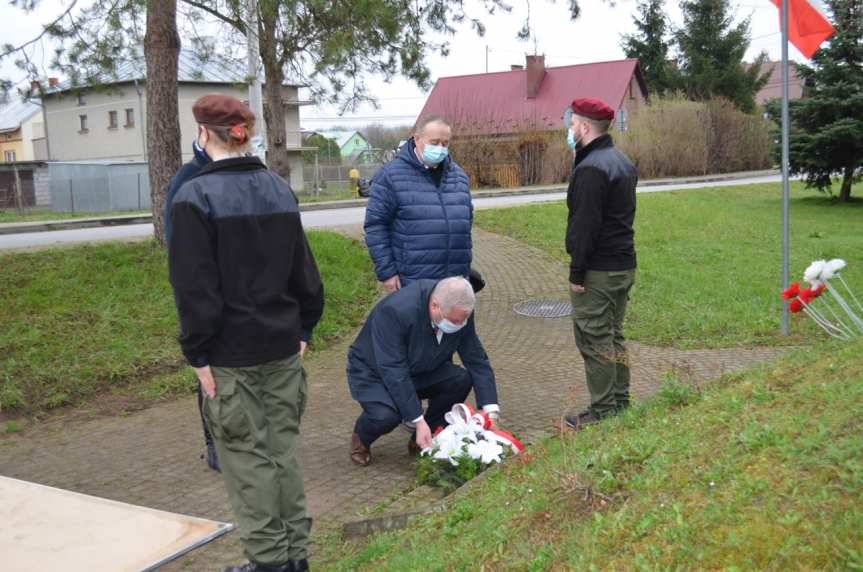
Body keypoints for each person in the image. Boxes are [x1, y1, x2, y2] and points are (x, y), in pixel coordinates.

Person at [169, 94, 324, 572]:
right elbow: (305, 270)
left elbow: (195, 289)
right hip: (281, 348)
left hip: (231, 356)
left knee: (247, 461)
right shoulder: (279, 189)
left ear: (203, 134)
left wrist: (197, 355)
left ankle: (270, 562)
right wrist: (304, 326)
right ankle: (294, 557)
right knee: (282, 454)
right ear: (243, 133)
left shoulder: (193, 197)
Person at [346, 277, 499, 466]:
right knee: (386, 416)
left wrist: (490, 409)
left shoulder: (460, 311)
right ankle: (362, 437)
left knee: (460, 379)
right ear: (435, 306)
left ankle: (424, 437)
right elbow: (394, 370)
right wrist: (417, 420)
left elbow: (475, 358)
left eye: (463, 321)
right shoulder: (396, 311)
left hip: (421, 366)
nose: (459, 326)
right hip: (374, 371)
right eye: (454, 321)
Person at [563, 98, 638, 431]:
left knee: (595, 339)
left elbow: (586, 225)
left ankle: (604, 411)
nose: (570, 129)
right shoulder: (620, 160)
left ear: (584, 126)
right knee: (614, 335)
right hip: (623, 264)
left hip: (599, 269)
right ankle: (620, 402)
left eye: (572, 123)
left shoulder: (592, 167)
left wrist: (577, 271)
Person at [364, 115, 473, 293]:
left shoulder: (459, 176)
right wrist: (387, 272)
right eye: (434, 142)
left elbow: (466, 221)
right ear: (417, 139)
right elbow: (376, 226)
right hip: (413, 280)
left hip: (456, 280)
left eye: (445, 143)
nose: (440, 148)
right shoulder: (390, 176)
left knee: (456, 322)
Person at [163, 136, 220, 472]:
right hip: (204, 299)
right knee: (210, 377)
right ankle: (214, 443)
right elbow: (182, 253)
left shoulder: (237, 173)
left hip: (243, 300)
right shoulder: (188, 180)